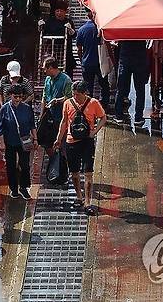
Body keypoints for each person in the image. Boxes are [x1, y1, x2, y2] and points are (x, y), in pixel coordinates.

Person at [54, 80, 107, 214]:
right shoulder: (67, 103)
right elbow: (64, 122)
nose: (75, 96)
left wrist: (94, 132)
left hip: (87, 141)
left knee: (88, 172)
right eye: (73, 94)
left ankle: (88, 202)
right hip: (71, 141)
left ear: (85, 93)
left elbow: (103, 117)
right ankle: (79, 196)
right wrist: (58, 139)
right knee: (74, 172)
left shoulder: (93, 103)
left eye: (77, 94)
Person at [0, 85, 37, 200]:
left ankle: (24, 187)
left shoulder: (27, 108)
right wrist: (2, 143)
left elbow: (32, 124)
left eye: (20, 96)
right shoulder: (4, 109)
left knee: (24, 165)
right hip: (10, 141)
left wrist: (35, 138)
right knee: (11, 166)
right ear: (10, 95)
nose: (18, 99)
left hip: (25, 140)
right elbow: (0, 128)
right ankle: (14, 189)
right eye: (15, 96)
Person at [76, 12, 110, 108]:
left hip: (87, 62)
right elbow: (107, 45)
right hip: (100, 62)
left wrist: (81, 59)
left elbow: (79, 48)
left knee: (87, 85)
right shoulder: (101, 29)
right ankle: (104, 104)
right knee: (104, 84)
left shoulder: (81, 30)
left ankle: (88, 106)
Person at [40, 5, 77, 77]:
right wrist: (40, 26)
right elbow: (43, 32)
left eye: (61, 11)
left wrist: (70, 29)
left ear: (65, 12)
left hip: (66, 51)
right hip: (53, 51)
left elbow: (74, 35)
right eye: (57, 11)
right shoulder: (50, 21)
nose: (59, 13)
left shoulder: (69, 21)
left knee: (68, 72)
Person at [41, 57, 73, 130]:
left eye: (45, 69)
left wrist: (56, 100)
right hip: (48, 116)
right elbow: (44, 96)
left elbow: (69, 97)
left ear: (50, 68)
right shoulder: (48, 79)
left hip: (60, 117)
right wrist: (41, 115)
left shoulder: (66, 80)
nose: (44, 71)